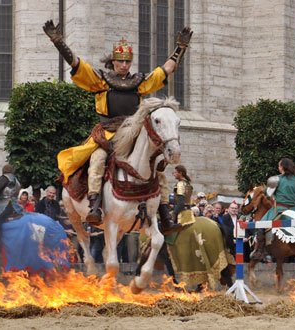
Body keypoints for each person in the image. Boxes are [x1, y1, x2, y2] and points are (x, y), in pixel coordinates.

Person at [44, 20, 192, 233]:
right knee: (97, 159)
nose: (124, 65)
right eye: (120, 61)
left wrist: (181, 48)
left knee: (155, 165)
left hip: (133, 133)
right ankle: (94, 205)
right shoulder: (100, 81)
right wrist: (59, 42)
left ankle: (164, 213)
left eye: (127, 61)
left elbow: (165, 70)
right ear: (113, 62)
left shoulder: (140, 82)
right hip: (107, 132)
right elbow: (77, 64)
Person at [252, 158, 295, 261]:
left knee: (260, 225)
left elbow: (269, 194)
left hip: (279, 209)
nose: (278, 167)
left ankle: (261, 252)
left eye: (279, 166)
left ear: (282, 167)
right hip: (293, 210)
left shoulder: (275, 179)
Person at [171, 165, 195, 231]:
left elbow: (181, 202)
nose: (174, 174)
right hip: (188, 211)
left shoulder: (180, 184)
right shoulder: (188, 183)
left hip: (181, 213)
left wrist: (174, 213)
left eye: (175, 172)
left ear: (180, 173)